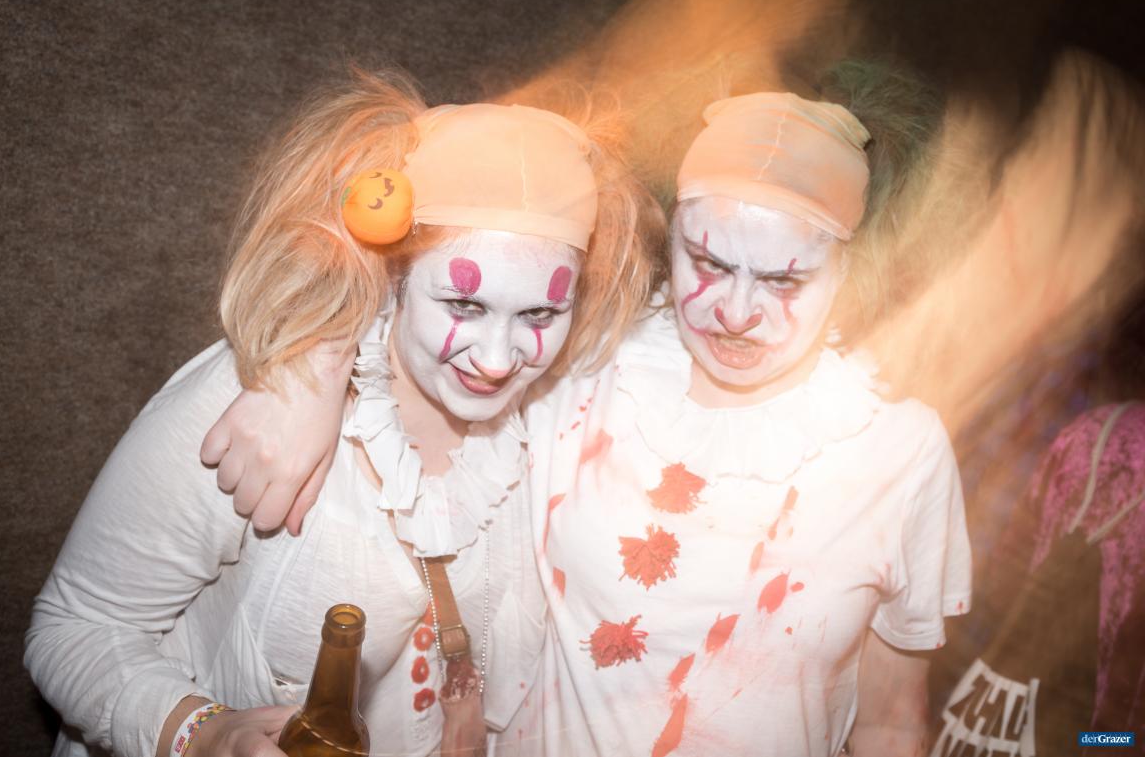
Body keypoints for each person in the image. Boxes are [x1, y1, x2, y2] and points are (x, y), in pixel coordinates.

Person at [201, 62, 972, 757]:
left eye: (783, 280)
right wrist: (308, 369)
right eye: (708, 260)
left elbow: (891, 722)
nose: (737, 311)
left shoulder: (900, 452)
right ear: (673, 236)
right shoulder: (587, 360)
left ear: (848, 268)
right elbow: (443, 271)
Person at [25, 69, 663, 757]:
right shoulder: (256, 400)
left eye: (539, 313)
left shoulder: (552, 411)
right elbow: (74, 626)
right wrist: (202, 732)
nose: (499, 359)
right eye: (463, 304)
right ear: (393, 270)